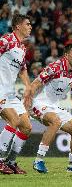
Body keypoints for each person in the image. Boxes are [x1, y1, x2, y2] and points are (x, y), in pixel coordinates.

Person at [25, 43, 72, 173]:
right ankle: (38, 160)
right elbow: (35, 84)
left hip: (54, 106)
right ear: (66, 55)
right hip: (38, 103)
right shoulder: (55, 67)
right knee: (56, 121)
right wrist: (26, 106)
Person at [0, 14, 32, 174]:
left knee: (26, 127)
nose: (30, 26)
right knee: (13, 119)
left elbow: (23, 69)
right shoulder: (6, 40)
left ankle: (11, 162)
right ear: (18, 26)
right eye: (27, 24)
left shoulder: (22, 48)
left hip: (10, 92)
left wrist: (28, 87)